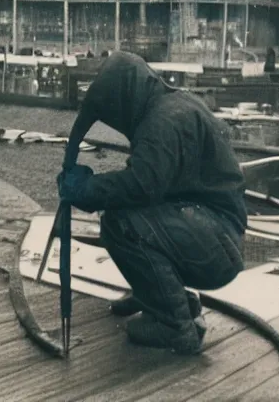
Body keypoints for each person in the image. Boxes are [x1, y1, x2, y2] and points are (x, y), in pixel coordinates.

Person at [57, 51, 247, 355]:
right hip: (215, 234)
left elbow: (141, 185)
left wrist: (84, 190)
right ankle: (157, 297)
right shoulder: (171, 107)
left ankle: (176, 326)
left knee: (121, 224)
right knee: (124, 214)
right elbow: (150, 185)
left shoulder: (163, 121)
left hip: (216, 240)